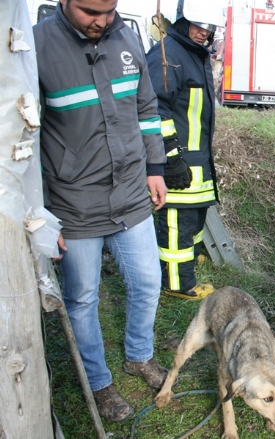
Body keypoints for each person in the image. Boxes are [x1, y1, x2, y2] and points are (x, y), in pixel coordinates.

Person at [34, 0, 170, 423]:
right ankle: (99, 382)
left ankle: (139, 355)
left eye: (109, 10)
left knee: (149, 280)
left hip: (130, 190)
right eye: (91, 11)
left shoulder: (126, 37)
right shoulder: (36, 48)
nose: (102, 21)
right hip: (73, 202)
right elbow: (23, 139)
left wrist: (155, 167)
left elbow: (146, 110)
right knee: (82, 298)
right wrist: (39, 213)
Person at [146, 5, 221, 300]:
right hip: (177, 159)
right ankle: (177, 283)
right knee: (177, 222)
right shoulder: (170, 54)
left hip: (196, 157)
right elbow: (154, 109)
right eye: (199, 23)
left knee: (194, 217)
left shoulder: (192, 52)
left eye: (210, 26)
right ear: (183, 19)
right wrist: (170, 157)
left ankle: (188, 261)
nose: (205, 31)